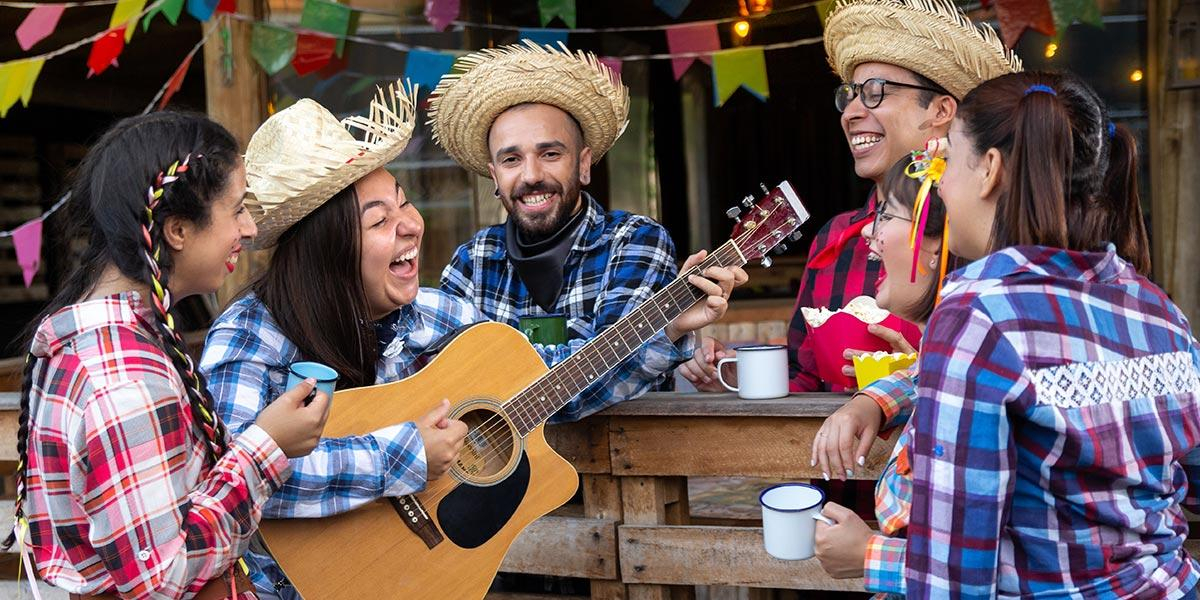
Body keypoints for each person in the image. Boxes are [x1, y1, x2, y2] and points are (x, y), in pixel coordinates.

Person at [200, 83, 740, 599]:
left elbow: (554, 380)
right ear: (327, 248)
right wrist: (408, 455)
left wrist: (664, 324)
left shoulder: (432, 314)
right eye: (380, 219)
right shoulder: (251, 336)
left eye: (404, 203)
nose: (411, 225)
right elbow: (226, 480)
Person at [11, 112, 330, 599]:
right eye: (237, 209)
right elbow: (163, 578)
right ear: (177, 230)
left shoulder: (102, 343)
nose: (248, 229)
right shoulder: (124, 379)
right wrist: (266, 446)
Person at [903, 71, 1193, 597]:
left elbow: (953, 570)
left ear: (990, 169)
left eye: (945, 161)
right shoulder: (1160, 312)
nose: (939, 183)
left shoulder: (977, 315)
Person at [680, 0, 1022, 394]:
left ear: (942, 109)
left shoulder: (982, 230)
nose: (851, 113)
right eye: (851, 95)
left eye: (875, 92)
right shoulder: (836, 237)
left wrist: (921, 372)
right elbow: (804, 374)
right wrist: (734, 375)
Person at [429, 42, 746, 421]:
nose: (531, 176)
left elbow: (600, 380)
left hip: (621, 475)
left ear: (583, 164)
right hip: (493, 475)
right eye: (512, 159)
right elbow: (440, 383)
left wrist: (495, 381)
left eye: (550, 154)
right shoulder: (471, 261)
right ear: (495, 176)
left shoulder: (634, 241)